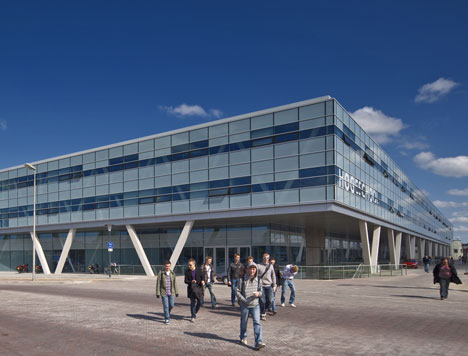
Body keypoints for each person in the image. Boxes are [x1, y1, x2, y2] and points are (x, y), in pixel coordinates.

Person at [235, 262, 266, 350]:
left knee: (257, 323)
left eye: (254, 269)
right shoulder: (242, 279)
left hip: (255, 305)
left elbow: (261, 291)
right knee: (244, 322)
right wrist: (243, 300)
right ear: (248, 269)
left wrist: (258, 294)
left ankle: (258, 342)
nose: (252, 270)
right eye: (251, 269)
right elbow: (237, 291)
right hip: (245, 305)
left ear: (256, 270)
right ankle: (243, 336)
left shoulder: (259, 279)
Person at [156, 260, 179, 324]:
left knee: (171, 305)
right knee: (166, 306)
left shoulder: (172, 273)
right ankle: (167, 318)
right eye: (166, 266)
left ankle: (167, 313)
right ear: (164, 266)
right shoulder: (161, 273)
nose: (167, 267)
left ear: (170, 266)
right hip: (164, 292)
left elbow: (175, 283)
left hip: (172, 292)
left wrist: (177, 292)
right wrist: (157, 293)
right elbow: (158, 283)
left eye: (168, 266)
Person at [256, 253, 276, 321]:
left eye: (267, 258)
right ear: (262, 258)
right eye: (265, 258)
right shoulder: (258, 266)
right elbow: (255, 276)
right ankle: (263, 313)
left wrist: (274, 285)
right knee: (262, 300)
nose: (266, 259)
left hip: (268, 285)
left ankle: (264, 309)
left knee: (270, 300)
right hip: (261, 286)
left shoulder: (271, 266)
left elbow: (273, 276)